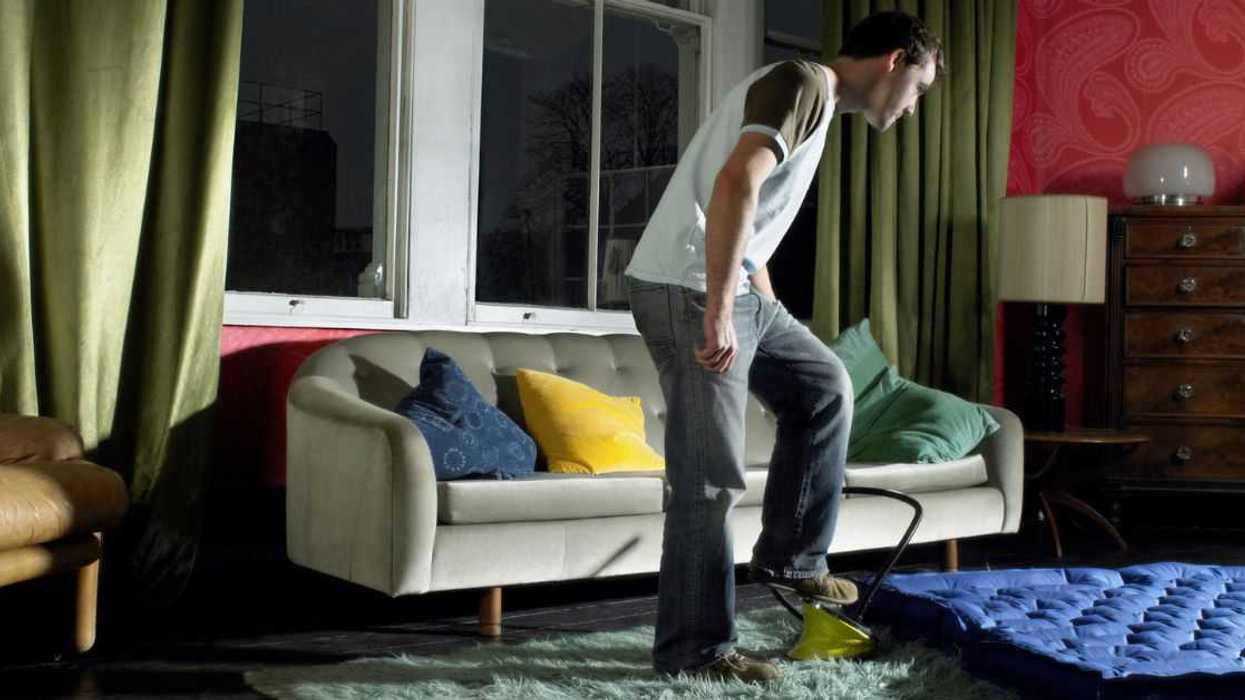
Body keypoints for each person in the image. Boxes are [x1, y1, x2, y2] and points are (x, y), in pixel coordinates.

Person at [623, 10, 944, 683]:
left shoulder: (814, 101)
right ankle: (695, 652)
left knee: (824, 387)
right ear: (893, 61)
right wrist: (719, 309)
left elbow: (754, 214)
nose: (913, 107)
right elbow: (736, 182)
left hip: (730, 287)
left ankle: (791, 558)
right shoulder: (801, 83)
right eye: (918, 88)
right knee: (708, 480)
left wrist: (765, 306)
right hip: (688, 288)